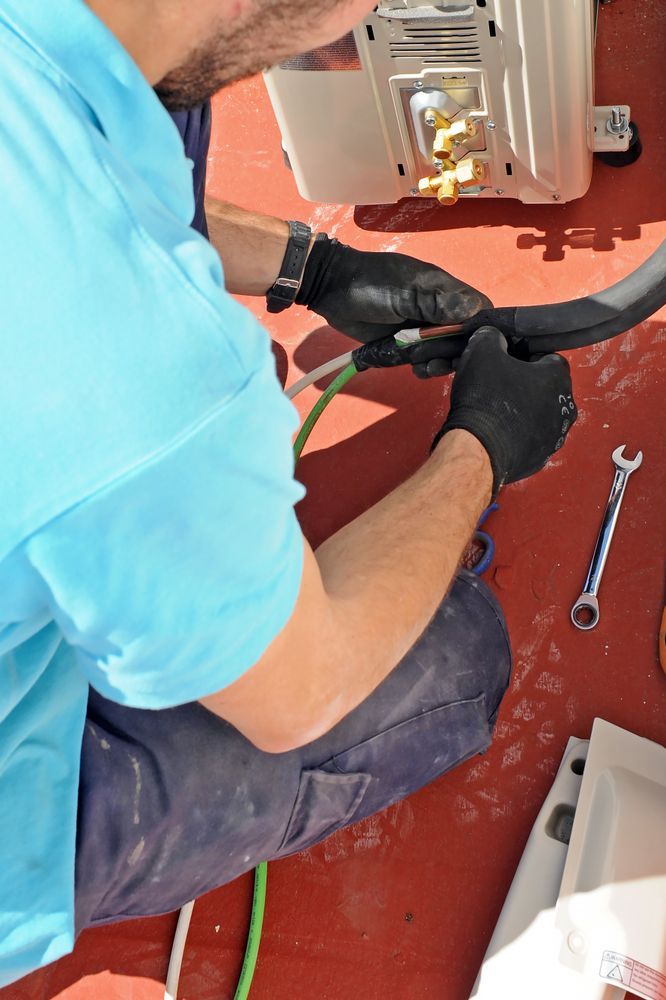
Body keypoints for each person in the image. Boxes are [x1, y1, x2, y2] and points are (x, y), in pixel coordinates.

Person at [0, 0, 577, 986]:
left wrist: (313, 268)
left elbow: (89, 177)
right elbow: (303, 689)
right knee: (456, 658)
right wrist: (481, 445)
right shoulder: (141, 392)